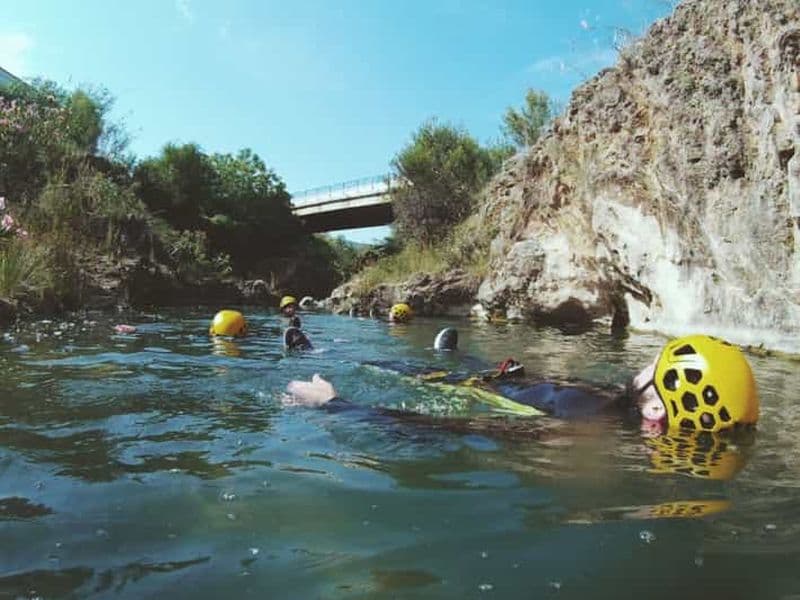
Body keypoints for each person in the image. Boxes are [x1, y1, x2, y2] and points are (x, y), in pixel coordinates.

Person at [286, 332, 759, 436]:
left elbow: (460, 428)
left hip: (470, 392)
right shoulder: (613, 407)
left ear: (655, 410)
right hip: (502, 383)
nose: (648, 359)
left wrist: (336, 404)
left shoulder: (586, 428)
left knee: (401, 370)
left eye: (657, 364)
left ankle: (315, 357)